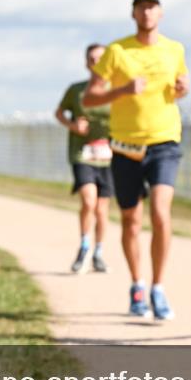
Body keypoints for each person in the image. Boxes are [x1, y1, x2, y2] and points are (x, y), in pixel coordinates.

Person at [83, 0, 189, 320]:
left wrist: (182, 90)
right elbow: (89, 98)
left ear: (160, 13)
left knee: (160, 213)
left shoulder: (175, 49)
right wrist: (122, 91)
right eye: (141, 8)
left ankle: (158, 287)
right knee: (130, 221)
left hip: (164, 142)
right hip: (125, 146)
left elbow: (179, 86)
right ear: (133, 14)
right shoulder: (116, 51)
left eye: (152, 7)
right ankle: (137, 284)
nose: (146, 13)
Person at [56, 43, 114, 274]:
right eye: (92, 58)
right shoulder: (76, 90)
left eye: (100, 58)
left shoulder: (116, 89)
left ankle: (98, 252)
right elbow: (59, 113)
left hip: (109, 157)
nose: (95, 62)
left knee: (102, 209)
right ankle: (84, 245)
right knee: (88, 201)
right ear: (86, 62)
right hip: (82, 153)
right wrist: (72, 125)